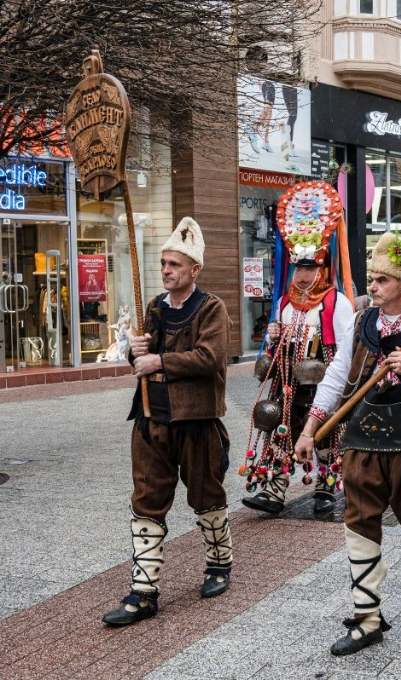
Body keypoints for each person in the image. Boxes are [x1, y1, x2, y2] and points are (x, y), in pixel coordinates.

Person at [294, 233, 401, 656]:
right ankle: (367, 618)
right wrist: (309, 428)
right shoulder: (361, 323)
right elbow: (337, 377)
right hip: (363, 442)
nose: (372, 287)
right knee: (358, 524)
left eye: (383, 280)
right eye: (372, 279)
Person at [102, 218, 232, 626]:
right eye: (163, 264)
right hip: (151, 419)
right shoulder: (155, 307)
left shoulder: (211, 308)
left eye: (175, 264)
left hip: (197, 420)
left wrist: (159, 359)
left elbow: (210, 358)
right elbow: (142, 360)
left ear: (195, 269)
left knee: (207, 495)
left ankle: (218, 564)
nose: (166, 271)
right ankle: (144, 591)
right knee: (146, 502)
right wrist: (135, 350)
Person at [242, 181, 355, 516]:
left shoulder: (337, 304)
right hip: (287, 381)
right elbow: (276, 343)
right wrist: (274, 337)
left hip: (322, 383)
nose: (303, 276)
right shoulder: (284, 303)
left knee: (323, 434)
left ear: (322, 268)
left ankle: (325, 487)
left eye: (310, 268)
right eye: (299, 268)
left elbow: (346, 351)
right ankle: (275, 490)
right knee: (279, 430)